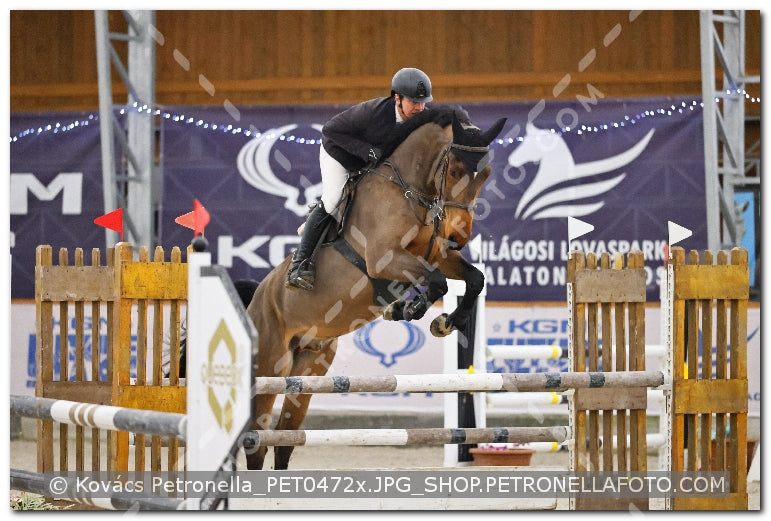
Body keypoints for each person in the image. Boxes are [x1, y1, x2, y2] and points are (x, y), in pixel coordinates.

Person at [286, 67, 434, 290]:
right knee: (333, 200)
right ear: (397, 98)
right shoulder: (372, 112)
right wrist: (367, 151)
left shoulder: (422, 118)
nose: (420, 108)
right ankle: (299, 265)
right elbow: (330, 130)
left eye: (423, 102)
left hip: (371, 162)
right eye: (414, 102)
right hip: (338, 153)